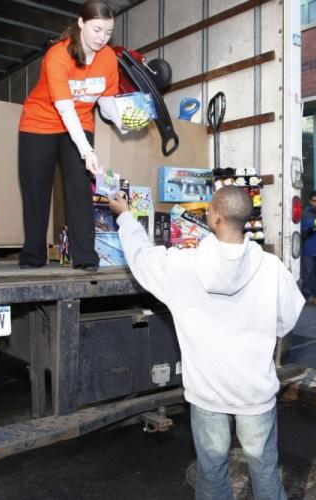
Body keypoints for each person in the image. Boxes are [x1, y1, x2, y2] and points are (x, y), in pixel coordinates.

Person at [109, 186, 305, 500]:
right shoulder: (272, 269)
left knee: (212, 472)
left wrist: (127, 217)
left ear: (214, 217)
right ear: (246, 218)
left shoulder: (184, 266)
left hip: (207, 394)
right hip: (255, 393)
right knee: (265, 470)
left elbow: (142, 259)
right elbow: (288, 320)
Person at [18, 0, 127, 271]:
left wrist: (127, 121)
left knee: (79, 187)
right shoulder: (58, 55)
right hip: (40, 121)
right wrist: (87, 151)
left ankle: (86, 258)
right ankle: (33, 256)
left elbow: (107, 100)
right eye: (97, 30)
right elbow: (64, 108)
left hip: (81, 121)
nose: (102, 38)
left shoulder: (108, 58)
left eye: (108, 32)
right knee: (36, 189)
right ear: (81, 23)